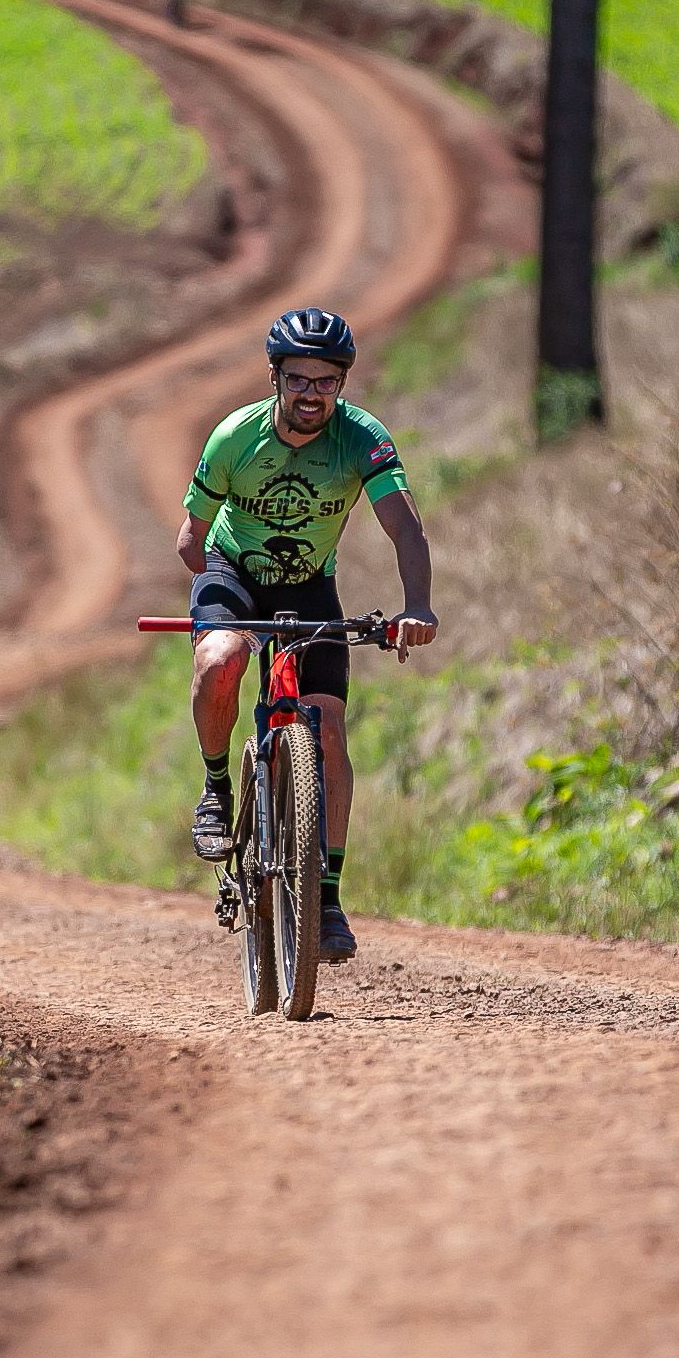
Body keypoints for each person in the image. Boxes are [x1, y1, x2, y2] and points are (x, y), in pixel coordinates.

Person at [179, 307, 437, 963]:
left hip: (308, 586)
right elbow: (190, 542)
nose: (312, 394)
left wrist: (417, 606)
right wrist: (222, 616)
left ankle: (326, 897)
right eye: (298, 380)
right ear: (275, 378)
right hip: (233, 572)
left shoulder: (362, 438)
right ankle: (217, 787)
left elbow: (404, 527)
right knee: (221, 660)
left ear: (342, 384)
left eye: (326, 381)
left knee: (327, 729)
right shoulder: (234, 437)